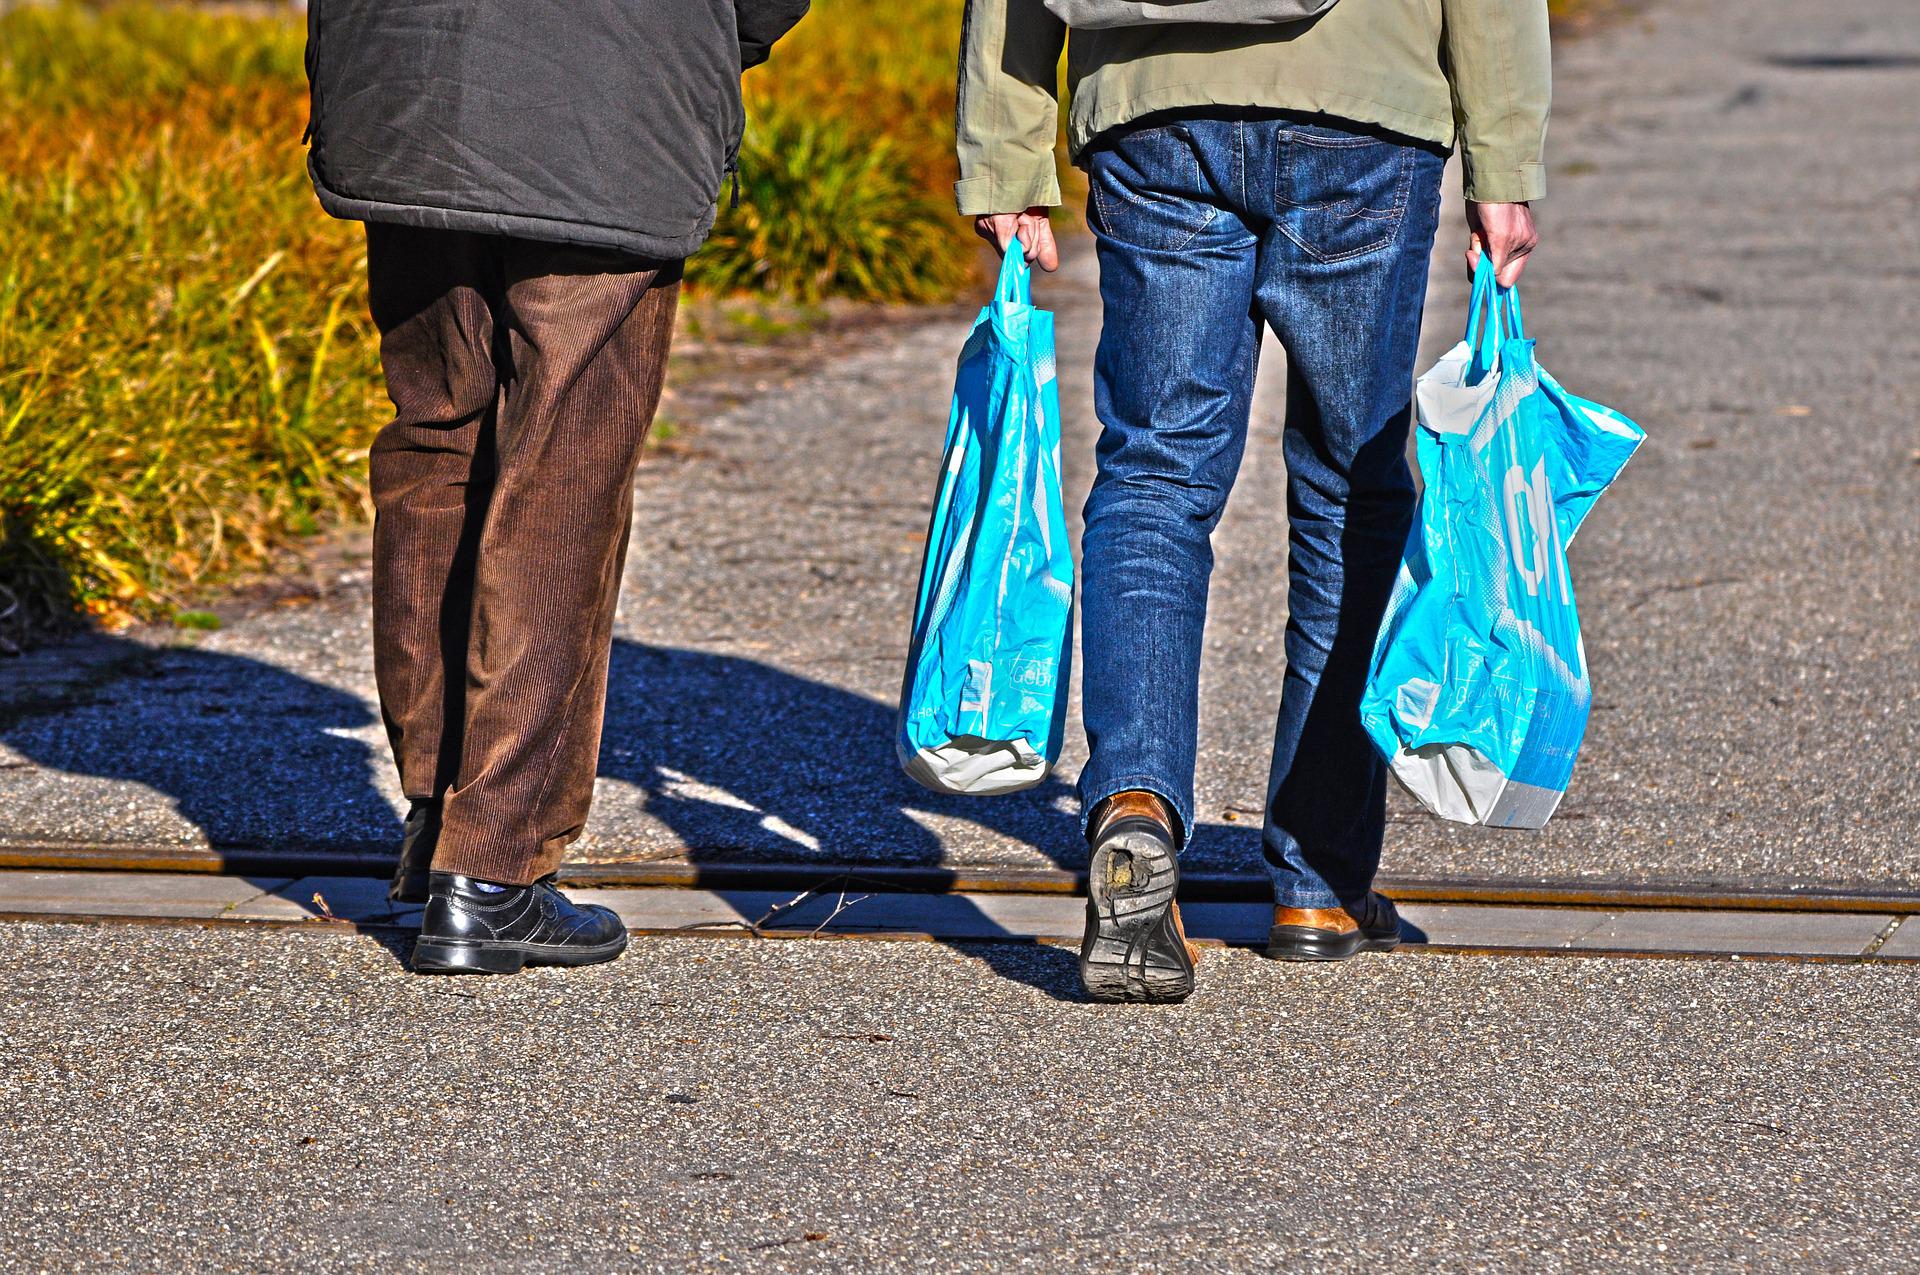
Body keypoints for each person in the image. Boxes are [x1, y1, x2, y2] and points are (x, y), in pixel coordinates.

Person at [956, 0, 1550, 1000]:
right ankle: (1319, 882)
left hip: (1151, 102)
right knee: (1349, 491)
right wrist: (1506, 163)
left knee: (1153, 474)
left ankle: (1135, 805)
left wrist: (1005, 151)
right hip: (1362, 103)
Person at [304, 0, 808, 975]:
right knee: (559, 479)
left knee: (434, 446)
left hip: (403, 89)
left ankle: (434, 819)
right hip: (604, 105)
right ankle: (490, 871)